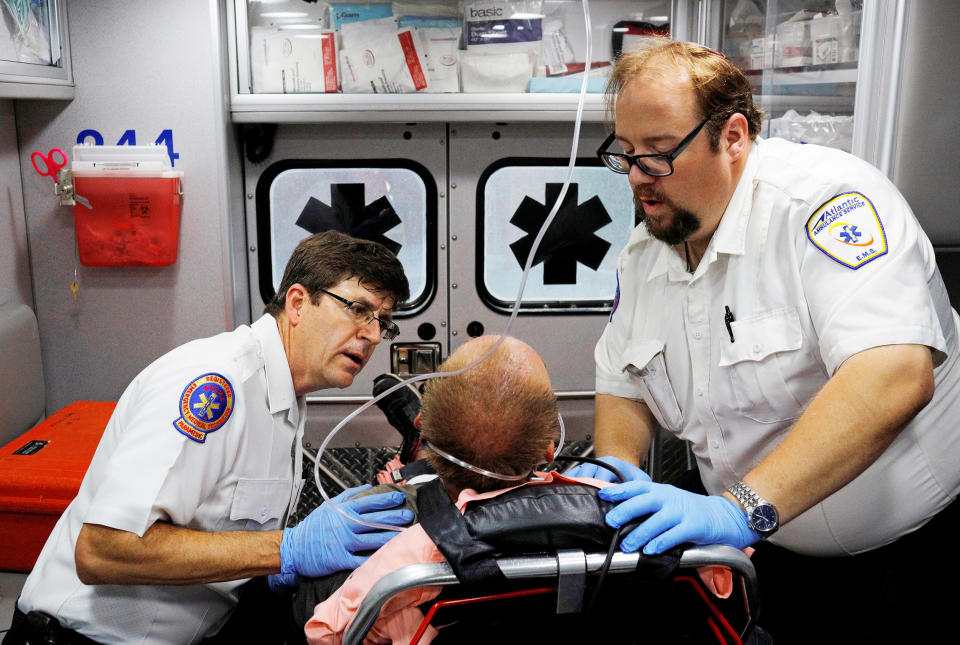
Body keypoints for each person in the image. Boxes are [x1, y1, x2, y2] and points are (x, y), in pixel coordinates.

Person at [568, 37, 960, 642]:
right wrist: (614, 471)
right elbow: (624, 380)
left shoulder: (824, 204)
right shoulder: (647, 253)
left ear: (732, 137)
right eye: (625, 154)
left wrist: (738, 509)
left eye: (660, 151)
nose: (639, 177)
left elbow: (894, 374)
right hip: (765, 555)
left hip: (910, 556)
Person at [7, 231, 415, 645]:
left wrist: (276, 570)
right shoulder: (218, 385)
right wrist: (287, 549)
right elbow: (102, 549)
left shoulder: (287, 397)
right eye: (358, 310)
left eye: (383, 321)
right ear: (297, 303)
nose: (374, 335)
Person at [302, 335, 733, 644]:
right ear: (550, 448)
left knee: (317, 584)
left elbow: (326, 631)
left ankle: (417, 456)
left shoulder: (411, 557)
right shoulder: (639, 511)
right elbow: (728, 580)